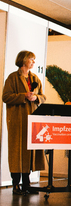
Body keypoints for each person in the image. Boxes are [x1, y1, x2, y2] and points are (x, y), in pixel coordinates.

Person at [2, 50, 46, 195]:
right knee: (17, 151)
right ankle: (16, 184)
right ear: (23, 60)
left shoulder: (35, 77)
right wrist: (24, 96)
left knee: (29, 150)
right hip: (17, 120)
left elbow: (43, 96)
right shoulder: (12, 78)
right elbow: (6, 97)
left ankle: (27, 184)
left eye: (34, 60)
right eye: (31, 59)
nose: (34, 62)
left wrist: (37, 98)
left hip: (32, 119)